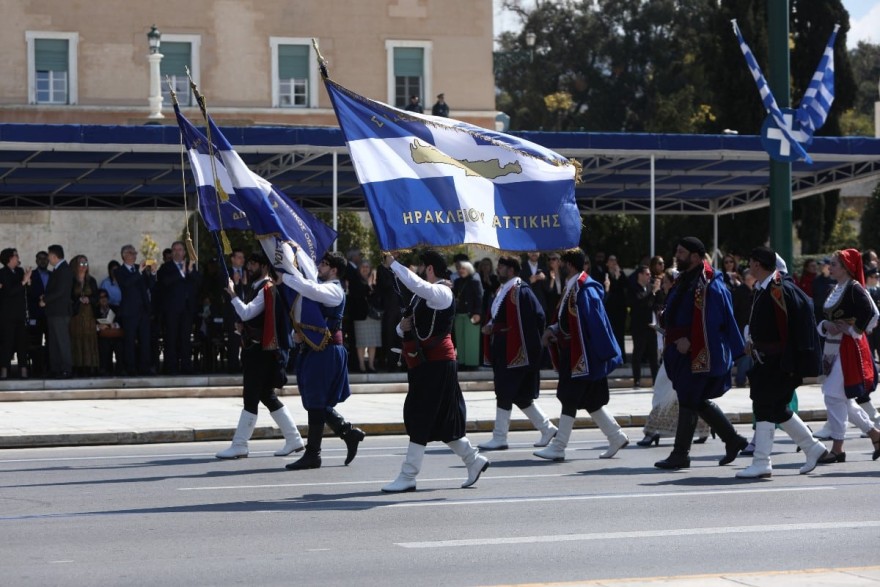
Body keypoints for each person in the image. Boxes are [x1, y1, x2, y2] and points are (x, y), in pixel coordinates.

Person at [381, 249, 489, 492]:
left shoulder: (441, 292)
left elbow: (420, 286)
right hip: (426, 363)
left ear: (429, 268)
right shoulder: (424, 296)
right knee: (442, 422)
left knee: (420, 416)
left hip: (437, 364)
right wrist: (402, 327)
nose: (419, 272)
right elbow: (406, 328)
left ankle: (408, 475)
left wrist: (394, 265)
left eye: (422, 267)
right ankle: (473, 460)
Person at [735, 246, 829, 479]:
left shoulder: (779, 290)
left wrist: (794, 362)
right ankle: (813, 448)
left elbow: (795, 328)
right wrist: (752, 340)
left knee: (765, 406)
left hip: (779, 362)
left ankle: (762, 462)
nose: (749, 267)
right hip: (768, 360)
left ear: (758, 264)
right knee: (776, 408)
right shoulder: (765, 289)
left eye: (751, 262)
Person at [654, 237, 748, 470]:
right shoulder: (685, 279)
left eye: (681, 252)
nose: (677, 255)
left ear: (696, 256)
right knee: (692, 399)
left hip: (698, 352)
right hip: (679, 350)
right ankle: (733, 440)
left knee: (689, 398)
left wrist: (693, 343)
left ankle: (681, 454)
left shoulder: (710, 284)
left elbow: (714, 323)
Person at [534, 248, 628, 462]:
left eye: (561, 263)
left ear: (570, 265)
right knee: (590, 401)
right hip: (576, 354)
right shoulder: (573, 287)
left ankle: (559, 447)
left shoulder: (585, 289)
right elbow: (567, 320)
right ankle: (616, 436)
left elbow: (596, 323)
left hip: (583, 357)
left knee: (569, 397)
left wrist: (602, 355)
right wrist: (554, 330)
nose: (556, 267)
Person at [280, 248, 365, 470]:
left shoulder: (334, 290)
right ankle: (347, 432)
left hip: (327, 351)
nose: (319, 268)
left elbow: (311, 290)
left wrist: (288, 276)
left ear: (334, 270)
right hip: (316, 349)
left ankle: (313, 454)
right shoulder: (323, 288)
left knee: (317, 401)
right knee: (316, 400)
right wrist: (297, 336)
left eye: (324, 265)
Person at [215, 252, 305, 459]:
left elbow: (247, 312)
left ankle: (240, 444)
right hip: (256, 350)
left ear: (265, 267)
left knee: (251, 397)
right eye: (249, 263)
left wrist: (232, 294)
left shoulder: (266, 289)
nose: (249, 267)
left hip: (262, 353)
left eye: (254, 264)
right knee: (266, 395)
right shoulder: (257, 288)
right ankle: (293, 439)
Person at [478, 256, 557, 450]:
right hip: (505, 351)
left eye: (502, 267)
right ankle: (547, 428)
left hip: (515, 353)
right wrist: (493, 326)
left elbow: (536, 318)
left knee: (504, 393)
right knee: (520, 396)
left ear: (511, 270)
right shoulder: (504, 290)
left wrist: (500, 329)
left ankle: (500, 437)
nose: (498, 270)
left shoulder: (520, 291)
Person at [815, 249, 880, 464]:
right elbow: (826, 318)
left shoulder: (853, 288)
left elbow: (872, 313)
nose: (830, 267)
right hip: (833, 348)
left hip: (848, 349)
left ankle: (838, 447)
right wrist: (826, 325)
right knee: (841, 398)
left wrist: (852, 330)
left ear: (845, 267)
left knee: (833, 396)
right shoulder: (837, 288)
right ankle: (875, 435)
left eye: (834, 264)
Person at [636, 268, 712, 447]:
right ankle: (703, 427)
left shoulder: (680, 300)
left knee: (665, 389)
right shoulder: (672, 299)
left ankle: (653, 431)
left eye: (666, 283)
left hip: (680, 353)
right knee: (676, 394)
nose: (663, 286)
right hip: (672, 351)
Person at [157, 241, 200, 375]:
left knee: (185, 339)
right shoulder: (166, 267)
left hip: (186, 309)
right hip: (171, 310)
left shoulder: (190, 266)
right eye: (174, 250)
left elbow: (198, 282)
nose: (177, 252)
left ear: (184, 252)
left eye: (180, 250)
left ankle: (186, 366)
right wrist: (181, 273)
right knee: (171, 338)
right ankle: (171, 367)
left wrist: (191, 272)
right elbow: (164, 282)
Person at [115, 244, 154, 376]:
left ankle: (145, 366)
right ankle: (130, 367)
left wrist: (153, 272)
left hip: (143, 310)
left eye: (135, 253)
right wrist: (138, 272)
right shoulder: (119, 271)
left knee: (145, 340)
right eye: (132, 253)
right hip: (129, 311)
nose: (135, 255)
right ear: (124, 255)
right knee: (129, 341)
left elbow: (150, 285)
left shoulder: (139, 269)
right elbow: (126, 284)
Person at [0, 248, 32, 379]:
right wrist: (24, 281)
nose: (18, 258)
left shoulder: (19, 271)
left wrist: (28, 281)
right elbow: (10, 291)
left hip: (20, 313)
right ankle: (4, 370)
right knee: (7, 343)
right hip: (7, 315)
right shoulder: (2, 273)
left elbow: (25, 290)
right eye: (16, 255)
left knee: (22, 342)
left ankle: (23, 369)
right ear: (9, 258)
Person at [43, 244, 73, 379]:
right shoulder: (58, 269)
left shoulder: (64, 270)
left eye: (49, 256)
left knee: (62, 341)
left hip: (60, 312)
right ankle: (56, 368)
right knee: (54, 342)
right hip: (54, 311)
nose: (48, 259)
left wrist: (46, 300)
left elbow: (60, 291)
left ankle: (66, 368)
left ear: (54, 256)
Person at [627, 265, 660, 388]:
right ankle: (637, 380)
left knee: (653, 355)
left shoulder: (651, 288)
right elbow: (640, 303)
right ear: (639, 275)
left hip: (651, 326)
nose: (649, 276)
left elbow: (655, 304)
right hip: (639, 326)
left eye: (650, 274)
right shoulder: (633, 288)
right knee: (638, 354)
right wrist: (652, 293)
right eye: (647, 274)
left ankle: (656, 380)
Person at [69, 255, 99, 376]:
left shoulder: (91, 280)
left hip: (88, 314)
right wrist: (78, 299)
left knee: (89, 338)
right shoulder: (72, 280)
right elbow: (69, 296)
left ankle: (89, 365)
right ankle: (77, 366)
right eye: (81, 264)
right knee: (76, 338)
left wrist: (89, 299)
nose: (84, 266)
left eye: (86, 264)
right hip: (76, 315)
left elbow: (96, 296)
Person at [452, 260, 483, 369]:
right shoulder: (456, 282)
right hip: (459, 315)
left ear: (469, 269)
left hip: (471, 315)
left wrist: (478, 313)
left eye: (463, 268)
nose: (461, 270)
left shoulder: (475, 281)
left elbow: (479, 299)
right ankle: (462, 363)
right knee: (460, 340)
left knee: (471, 340)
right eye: (459, 268)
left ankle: (472, 364)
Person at [221, 248, 247, 373]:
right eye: (239, 257)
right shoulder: (227, 273)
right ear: (232, 259)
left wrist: (245, 284)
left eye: (243, 257)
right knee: (234, 339)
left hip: (247, 310)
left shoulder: (247, 272)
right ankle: (233, 366)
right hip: (233, 312)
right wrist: (235, 283)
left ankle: (246, 364)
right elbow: (224, 294)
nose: (241, 260)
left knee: (246, 339)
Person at [352, 259, 381, 373]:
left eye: (367, 267)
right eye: (363, 266)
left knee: (373, 342)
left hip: (373, 316)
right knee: (361, 342)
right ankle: (362, 365)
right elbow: (357, 296)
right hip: (360, 316)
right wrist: (367, 286)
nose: (365, 269)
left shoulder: (375, 282)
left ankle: (371, 364)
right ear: (359, 269)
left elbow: (377, 297)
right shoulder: (355, 281)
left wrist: (371, 286)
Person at [602, 254, 628, 363]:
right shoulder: (604, 275)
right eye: (611, 260)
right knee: (610, 334)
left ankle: (622, 357)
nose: (613, 263)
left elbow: (625, 289)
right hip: (609, 309)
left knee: (620, 335)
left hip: (620, 309)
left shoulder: (621, 275)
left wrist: (618, 277)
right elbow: (607, 292)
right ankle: (611, 357)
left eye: (615, 260)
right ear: (607, 263)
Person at [95, 288, 123, 375]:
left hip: (114, 334)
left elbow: (121, 322)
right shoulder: (95, 311)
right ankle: (105, 368)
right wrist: (99, 326)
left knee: (119, 344)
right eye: (101, 297)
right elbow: (92, 325)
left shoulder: (115, 308)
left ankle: (120, 369)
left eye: (105, 296)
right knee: (104, 344)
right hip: (103, 335)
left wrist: (114, 325)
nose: (103, 299)